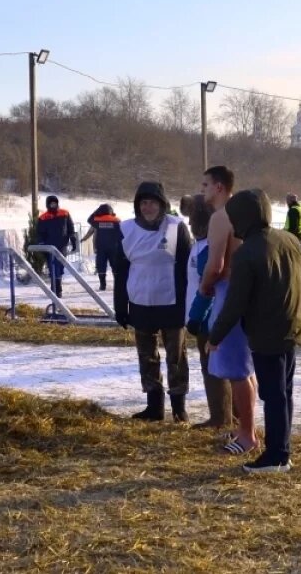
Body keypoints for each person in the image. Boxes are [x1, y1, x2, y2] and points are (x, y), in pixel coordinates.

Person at [207, 189, 301, 474]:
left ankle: (277, 456)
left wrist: (215, 336)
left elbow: (235, 303)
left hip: (267, 334)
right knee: (284, 392)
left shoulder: (247, 252)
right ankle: (282, 449)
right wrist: (297, 311)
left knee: (274, 395)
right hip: (291, 327)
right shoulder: (289, 240)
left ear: (242, 218)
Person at [110, 181, 192, 422]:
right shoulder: (125, 229)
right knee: (147, 356)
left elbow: (186, 268)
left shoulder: (176, 227)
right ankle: (154, 406)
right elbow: (121, 271)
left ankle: (179, 406)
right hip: (140, 301)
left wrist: (186, 304)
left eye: (152, 202)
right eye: (143, 203)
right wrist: (120, 305)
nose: (148, 207)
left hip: (171, 302)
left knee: (176, 356)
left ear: (162, 204)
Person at [199, 165, 259, 455]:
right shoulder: (246, 215)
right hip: (249, 295)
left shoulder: (221, 218)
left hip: (229, 293)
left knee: (236, 369)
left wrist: (204, 286)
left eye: (206, 185)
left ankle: (247, 435)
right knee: (246, 370)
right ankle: (246, 428)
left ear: (219, 187)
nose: (203, 191)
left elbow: (216, 265)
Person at [180, 193, 233, 431]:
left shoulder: (207, 249)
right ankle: (231, 415)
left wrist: (197, 318)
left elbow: (208, 286)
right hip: (206, 315)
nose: (189, 225)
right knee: (224, 367)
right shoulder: (202, 246)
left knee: (213, 369)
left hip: (207, 319)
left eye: (193, 219)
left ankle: (220, 417)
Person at [36, 195, 78, 297]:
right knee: (53, 267)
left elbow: (70, 227)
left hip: (62, 245)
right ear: (48, 204)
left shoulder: (65, 213)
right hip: (50, 247)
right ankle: (56, 290)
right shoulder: (43, 217)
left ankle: (57, 287)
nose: (53, 205)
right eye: (51, 203)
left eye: (55, 203)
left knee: (60, 267)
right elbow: (40, 233)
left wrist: (73, 238)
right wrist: (41, 244)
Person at [82, 203, 121, 291]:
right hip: (114, 248)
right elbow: (121, 234)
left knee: (101, 267)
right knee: (115, 267)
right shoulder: (116, 221)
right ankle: (118, 285)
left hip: (101, 248)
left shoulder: (97, 221)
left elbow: (89, 219)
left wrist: (96, 212)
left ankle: (102, 285)